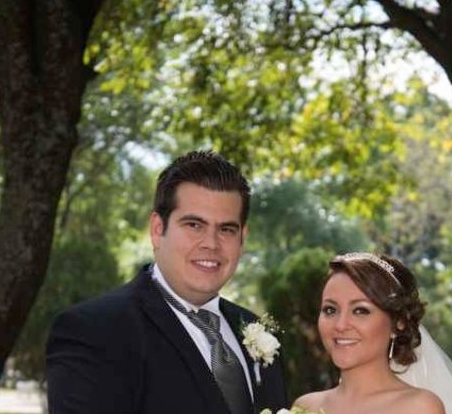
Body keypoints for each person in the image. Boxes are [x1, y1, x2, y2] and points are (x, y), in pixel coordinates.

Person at [46, 150, 288, 414]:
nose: (211, 243)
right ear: (157, 229)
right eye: (194, 225)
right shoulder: (95, 331)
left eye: (226, 229)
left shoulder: (258, 333)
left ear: (242, 238)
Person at [294, 252, 452, 414]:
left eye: (360, 310)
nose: (340, 324)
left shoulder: (419, 408)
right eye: (330, 309)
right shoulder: (305, 406)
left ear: (398, 322)